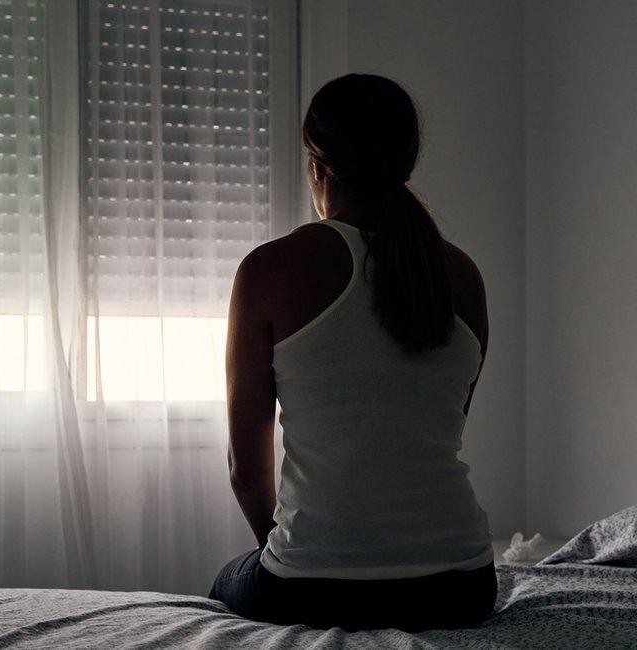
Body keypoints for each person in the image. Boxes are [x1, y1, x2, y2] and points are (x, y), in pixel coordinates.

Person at [209, 73, 498, 632]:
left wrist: (299, 553)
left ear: (317, 164)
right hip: (463, 587)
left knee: (227, 581)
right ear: (407, 162)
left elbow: (245, 468)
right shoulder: (462, 274)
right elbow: (431, 432)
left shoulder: (270, 269)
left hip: (315, 591)